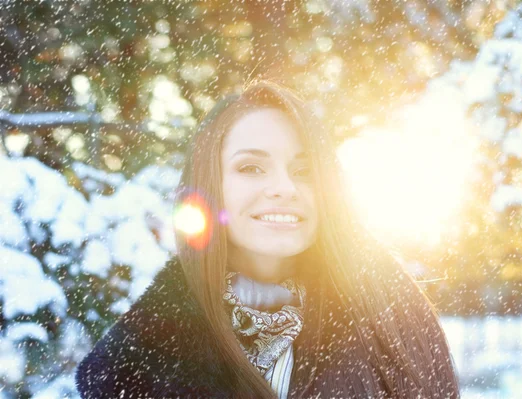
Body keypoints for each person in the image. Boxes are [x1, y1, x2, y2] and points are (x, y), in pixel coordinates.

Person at [75, 80, 460, 398]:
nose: (283, 187)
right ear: (210, 185)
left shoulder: (393, 325)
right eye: (251, 167)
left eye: (304, 170)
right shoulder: (138, 361)